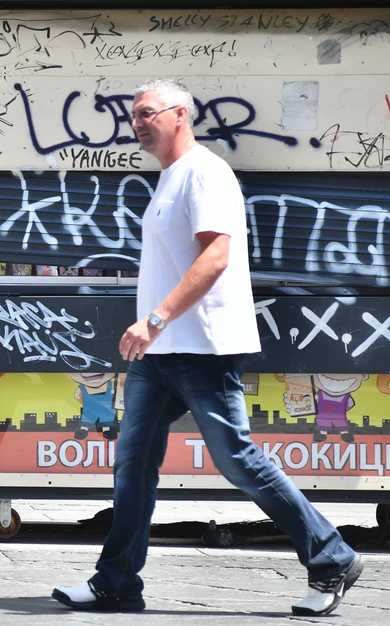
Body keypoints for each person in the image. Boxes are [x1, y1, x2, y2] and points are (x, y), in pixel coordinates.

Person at [51, 79, 363, 617]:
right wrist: (156, 331)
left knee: (236, 459)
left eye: (147, 112)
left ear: (179, 115)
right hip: (162, 354)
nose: (137, 122)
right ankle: (117, 583)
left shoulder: (205, 173)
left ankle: (332, 557)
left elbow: (215, 258)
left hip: (201, 347)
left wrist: (155, 318)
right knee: (133, 462)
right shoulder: (172, 177)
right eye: (134, 115)